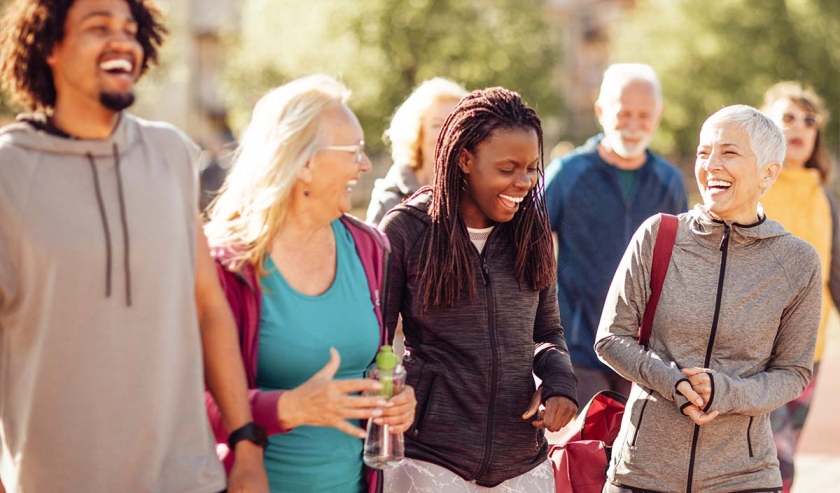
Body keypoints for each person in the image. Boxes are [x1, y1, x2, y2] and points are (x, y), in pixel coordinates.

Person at [0, 0, 267, 491]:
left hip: (186, 476)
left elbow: (208, 308)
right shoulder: (8, 173)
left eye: (129, 29)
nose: (121, 40)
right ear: (50, 48)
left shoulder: (170, 154)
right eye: (97, 27)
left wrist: (246, 443)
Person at [203, 74, 416, 493]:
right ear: (303, 162)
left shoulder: (370, 247)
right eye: (353, 150)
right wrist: (287, 407)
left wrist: (397, 401)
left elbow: (375, 367)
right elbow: (185, 401)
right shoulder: (227, 261)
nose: (365, 164)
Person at [595, 105, 822, 493]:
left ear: (768, 172)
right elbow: (610, 338)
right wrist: (671, 383)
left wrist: (727, 392)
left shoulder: (797, 262)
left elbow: (794, 372)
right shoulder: (657, 235)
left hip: (744, 478)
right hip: (641, 474)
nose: (711, 165)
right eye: (703, 152)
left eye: (729, 153)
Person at [380, 87, 578, 492]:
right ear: (465, 159)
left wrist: (561, 384)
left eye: (531, 169)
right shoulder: (406, 230)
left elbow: (546, 333)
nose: (523, 183)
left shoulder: (532, 231)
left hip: (521, 462)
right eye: (507, 169)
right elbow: (374, 341)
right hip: (431, 459)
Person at [543, 63, 687, 407]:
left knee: (632, 458)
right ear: (601, 111)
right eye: (624, 114)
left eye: (644, 115)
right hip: (579, 348)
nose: (634, 126)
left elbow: (683, 261)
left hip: (644, 355)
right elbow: (528, 242)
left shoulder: (670, 180)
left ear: (659, 114)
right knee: (582, 454)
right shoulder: (568, 173)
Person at [760, 81, 840, 493]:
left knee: (785, 451)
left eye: (809, 120)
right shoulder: (755, 187)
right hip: (759, 349)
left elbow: (835, 272)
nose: (799, 127)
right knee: (774, 459)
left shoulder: (824, 199)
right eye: (787, 117)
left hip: (812, 351)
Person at [366, 77, 467, 225]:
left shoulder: (476, 192)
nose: (447, 133)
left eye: (455, 123)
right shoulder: (390, 198)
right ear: (418, 132)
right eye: (436, 125)